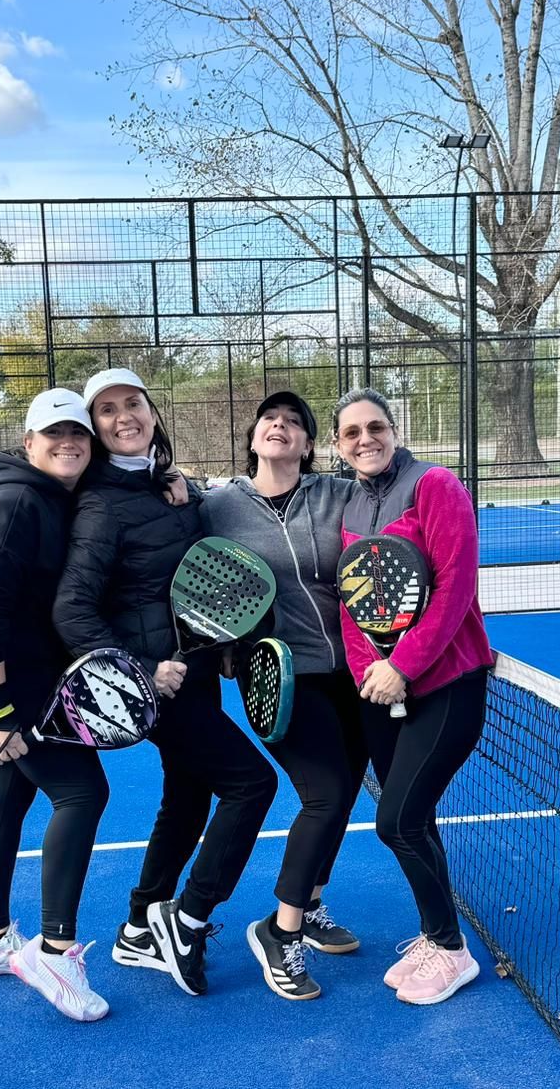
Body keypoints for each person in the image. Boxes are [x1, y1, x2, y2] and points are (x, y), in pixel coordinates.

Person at [53, 368, 278, 998]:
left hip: (197, 670)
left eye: (134, 404)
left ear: (153, 412)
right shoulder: (99, 505)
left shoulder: (163, 484)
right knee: (251, 784)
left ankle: (138, 923)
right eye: (107, 411)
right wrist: (142, 670)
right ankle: (188, 918)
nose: (124, 416)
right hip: (159, 684)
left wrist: (225, 646)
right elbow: (72, 610)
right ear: (94, 429)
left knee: (188, 795)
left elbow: (196, 573)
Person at [0, 388, 110, 1022]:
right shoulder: (13, 503)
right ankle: (56, 951)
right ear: (29, 443)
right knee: (82, 793)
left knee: (8, 795)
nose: (69, 443)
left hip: (13, 671)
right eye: (54, 433)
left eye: (79, 435)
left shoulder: (52, 495)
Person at [201, 391, 367, 1002]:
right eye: (271, 419)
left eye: (295, 422)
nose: (281, 426)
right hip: (277, 674)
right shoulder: (214, 504)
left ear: (308, 443)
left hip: (351, 671)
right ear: (252, 439)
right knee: (323, 795)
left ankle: (314, 900)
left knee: (347, 791)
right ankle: (282, 930)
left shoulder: (336, 495)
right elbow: (188, 572)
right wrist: (218, 645)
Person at [333, 387, 492, 1006]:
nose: (365, 439)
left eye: (376, 427)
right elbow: (351, 600)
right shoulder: (349, 501)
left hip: (447, 683)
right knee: (414, 819)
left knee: (396, 819)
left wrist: (403, 665)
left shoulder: (437, 486)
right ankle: (434, 933)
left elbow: (455, 588)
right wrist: (370, 670)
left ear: (394, 431)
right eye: (352, 432)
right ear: (339, 446)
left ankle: (451, 949)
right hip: (381, 688)